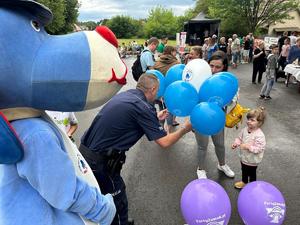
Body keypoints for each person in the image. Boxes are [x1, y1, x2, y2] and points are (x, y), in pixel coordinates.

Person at [79, 74, 192, 225]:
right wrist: (184, 129)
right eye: (157, 90)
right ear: (152, 89)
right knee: (117, 198)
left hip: (87, 154)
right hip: (100, 162)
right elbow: (164, 142)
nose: (158, 93)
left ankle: (117, 220)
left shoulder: (129, 96)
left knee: (102, 195)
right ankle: (120, 222)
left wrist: (154, 118)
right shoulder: (143, 107)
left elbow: (131, 118)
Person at [195, 51, 235, 179]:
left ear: (224, 67)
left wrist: (228, 99)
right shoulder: (200, 77)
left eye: (218, 67)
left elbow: (233, 99)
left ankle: (222, 164)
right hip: (201, 117)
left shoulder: (227, 81)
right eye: (211, 66)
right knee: (202, 146)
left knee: (220, 144)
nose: (213, 70)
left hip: (217, 117)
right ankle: (200, 169)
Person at [231, 107, 266, 189]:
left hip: (253, 160)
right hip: (244, 158)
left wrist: (248, 147)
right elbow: (239, 138)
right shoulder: (244, 130)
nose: (249, 121)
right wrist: (236, 143)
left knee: (252, 173)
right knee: (244, 170)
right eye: (248, 119)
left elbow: (259, 149)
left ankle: (252, 186)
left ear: (259, 122)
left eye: (252, 120)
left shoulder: (259, 135)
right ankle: (244, 182)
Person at [153, 46, 180, 133]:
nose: (176, 53)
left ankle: (161, 127)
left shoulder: (157, 62)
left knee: (162, 109)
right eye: (175, 51)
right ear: (172, 52)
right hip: (171, 92)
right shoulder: (176, 63)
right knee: (170, 110)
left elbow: (153, 75)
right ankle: (170, 129)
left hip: (158, 91)